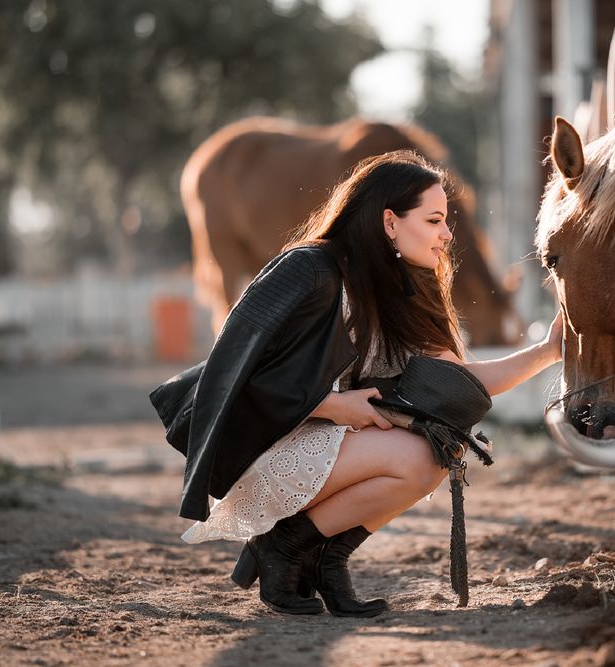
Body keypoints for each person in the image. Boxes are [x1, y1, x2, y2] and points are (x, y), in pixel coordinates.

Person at [150, 150, 563, 618]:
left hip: (324, 441)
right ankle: (283, 547)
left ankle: (322, 558)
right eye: (433, 220)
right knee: (417, 454)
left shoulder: (406, 288)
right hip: (266, 442)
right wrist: (332, 405)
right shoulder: (309, 269)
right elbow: (239, 370)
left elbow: (459, 382)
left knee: (432, 454)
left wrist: (548, 352)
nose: (448, 234)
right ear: (390, 222)